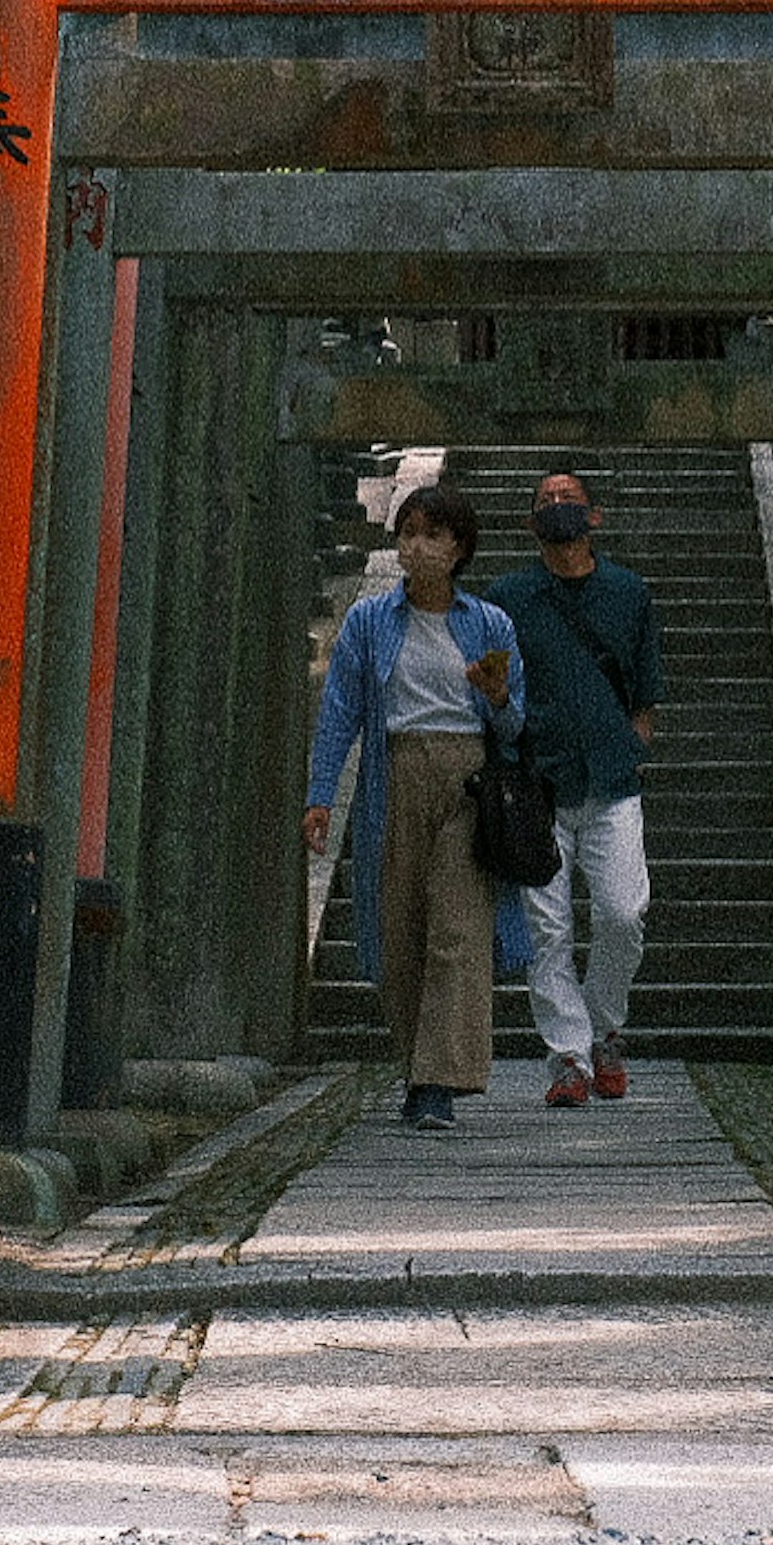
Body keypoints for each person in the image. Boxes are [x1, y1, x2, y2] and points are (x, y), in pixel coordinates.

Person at [305, 481, 526, 1133]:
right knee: (400, 931)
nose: (415, 546)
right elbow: (340, 713)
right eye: (407, 533)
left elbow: (516, 727)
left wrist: (495, 696)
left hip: (469, 782)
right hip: (393, 773)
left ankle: (437, 1083)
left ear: (459, 547)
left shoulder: (491, 624)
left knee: (457, 930)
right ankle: (417, 1065)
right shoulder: (370, 622)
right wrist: (321, 795)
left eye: (431, 534)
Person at [487, 465, 665, 1108]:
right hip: (538, 784)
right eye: (546, 501)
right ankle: (568, 1054)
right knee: (548, 930)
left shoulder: (628, 593)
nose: (558, 507)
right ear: (531, 522)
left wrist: (629, 741)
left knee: (623, 913)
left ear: (594, 516)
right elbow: (493, 680)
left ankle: (605, 1024)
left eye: (570, 499)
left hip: (612, 778)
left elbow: (646, 691)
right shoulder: (507, 598)